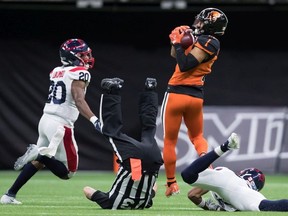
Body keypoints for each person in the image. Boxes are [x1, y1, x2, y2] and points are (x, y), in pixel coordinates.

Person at [0, 38, 101, 205]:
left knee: (38, 161)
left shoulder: (56, 71)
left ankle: (9, 195)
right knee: (68, 172)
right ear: (72, 56)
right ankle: (39, 153)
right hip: (60, 125)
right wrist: (94, 119)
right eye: (83, 55)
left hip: (45, 120)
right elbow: (78, 99)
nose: (87, 58)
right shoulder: (79, 72)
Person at [161, 7, 228, 197]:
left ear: (210, 25)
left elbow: (185, 64)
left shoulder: (210, 41)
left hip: (176, 94)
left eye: (201, 21)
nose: (197, 23)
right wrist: (177, 42)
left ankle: (171, 183)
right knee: (197, 137)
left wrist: (178, 43)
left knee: (169, 141)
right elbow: (176, 56)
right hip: (195, 96)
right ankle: (209, 170)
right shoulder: (203, 40)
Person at [83, 77, 163, 209]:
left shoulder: (145, 203)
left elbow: (154, 188)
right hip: (133, 161)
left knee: (149, 129)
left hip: (154, 161)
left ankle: (150, 90)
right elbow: (87, 190)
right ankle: (112, 91)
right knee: (112, 132)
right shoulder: (110, 202)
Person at [181, 133, 288, 212]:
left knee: (187, 175)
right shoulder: (243, 189)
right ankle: (225, 146)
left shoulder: (231, 181)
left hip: (224, 178)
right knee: (266, 206)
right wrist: (213, 208)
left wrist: (209, 206)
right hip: (232, 187)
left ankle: (224, 147)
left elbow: (192, 195)